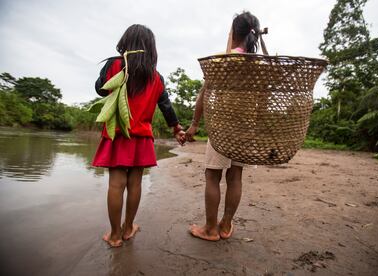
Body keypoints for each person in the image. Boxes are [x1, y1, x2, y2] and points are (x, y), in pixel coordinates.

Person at [92, 24, 186, 247]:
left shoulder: (115, 64)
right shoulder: (156, 77)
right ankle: (128, 228)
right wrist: (176, 128)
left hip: (117, 133)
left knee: (116, 184)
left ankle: (114, 235)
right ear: (150, 49)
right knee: (135, 183)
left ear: (126, 43)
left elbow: (99, 88)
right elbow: (166, 106)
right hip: (142, 137)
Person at [186, 11, 264, 241]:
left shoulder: (222, 60)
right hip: (245, 128)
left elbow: (204, 95)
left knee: (212, 176)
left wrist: (194, 124)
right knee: (235, 177)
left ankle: (210, 229)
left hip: (223, 127)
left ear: (233, 32)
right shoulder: (258, 64)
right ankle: (226, 225)